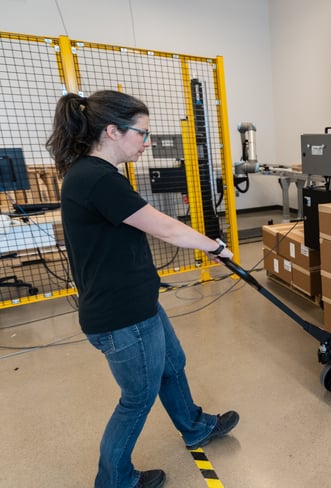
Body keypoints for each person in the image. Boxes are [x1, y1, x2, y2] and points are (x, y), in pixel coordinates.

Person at [46, 90, 239, 488]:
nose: (147, 142)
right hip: (122, 316)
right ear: (113, 131)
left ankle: (194, 425)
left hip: (136, 303)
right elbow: (165, 227)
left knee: (172, 364)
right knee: (136, 400)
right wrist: (215, 247)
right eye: (142, 133)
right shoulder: (97, 179)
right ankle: (114, 480)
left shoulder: (93, 175)